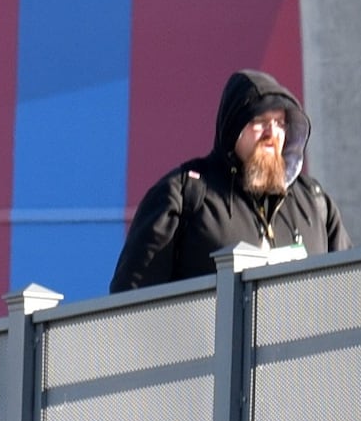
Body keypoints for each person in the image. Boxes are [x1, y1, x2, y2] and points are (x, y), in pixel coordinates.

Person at [109, 69, 346, 293]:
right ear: (234, 127)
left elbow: (351, 291)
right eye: (260, 121)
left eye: (280, 123)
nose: (272, 134)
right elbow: (131, 302)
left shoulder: (315, 203)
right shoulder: (183, 196)